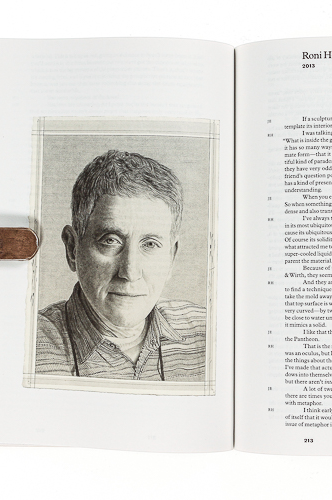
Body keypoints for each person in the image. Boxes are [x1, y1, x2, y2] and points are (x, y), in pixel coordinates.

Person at [35, 150, 206, 381]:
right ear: (72, 249)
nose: (130, 272)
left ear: (171, 257)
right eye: (110, 241)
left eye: (150, 244)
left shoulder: (207, 332)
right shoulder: (30, 344)